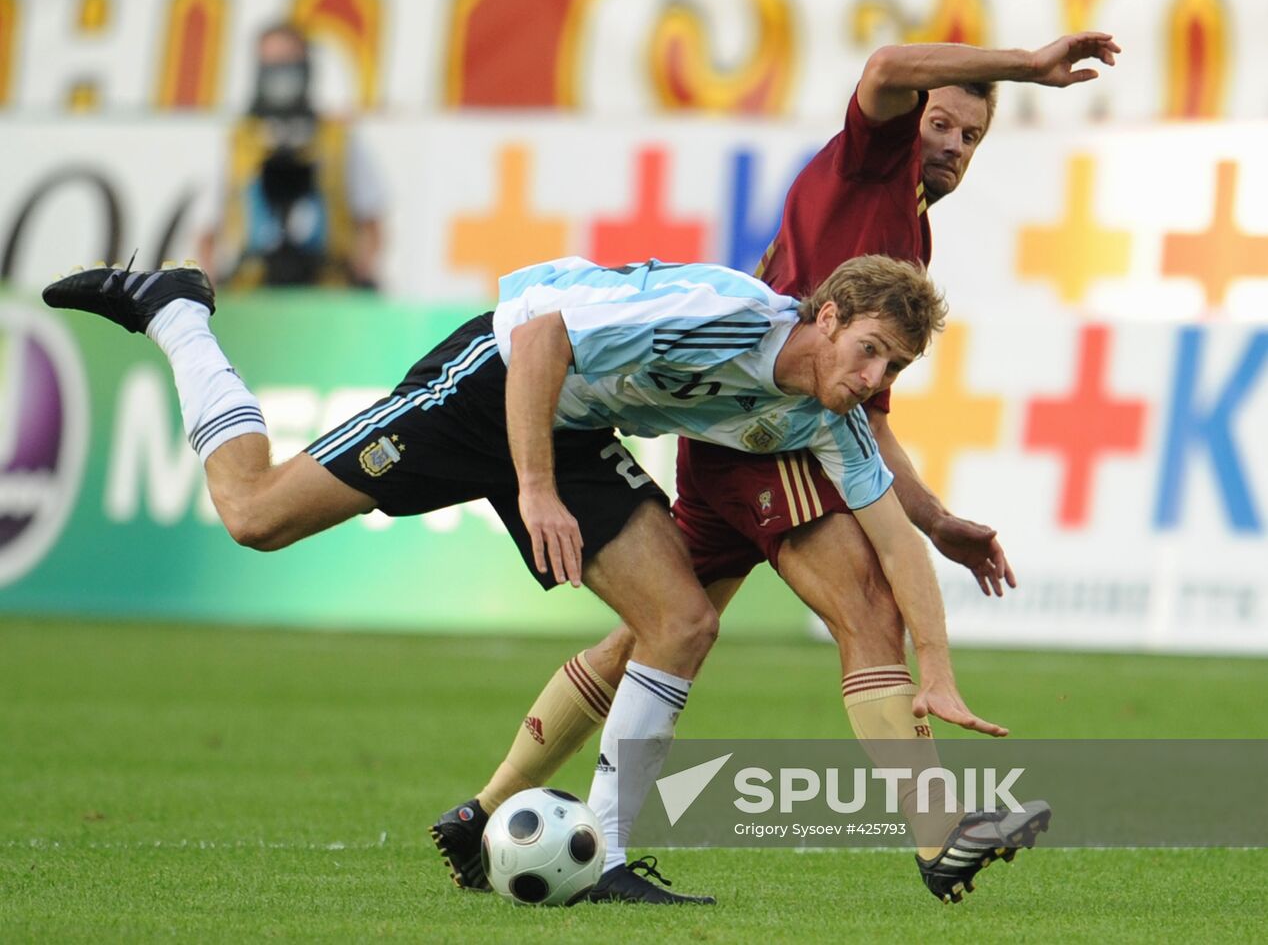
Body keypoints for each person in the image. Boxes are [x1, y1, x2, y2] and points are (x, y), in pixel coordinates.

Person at [42, 253, 1046, 904]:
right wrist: (532, 488)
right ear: (826, 316)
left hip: (570, 433)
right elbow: (539, 335)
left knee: (682, 620)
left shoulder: (823, 417)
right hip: (490, 385)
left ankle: (605, 860)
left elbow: (893, 534)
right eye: (869, 351)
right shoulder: (721, 315)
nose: (873, 380)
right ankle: (178, 313)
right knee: (253, 513)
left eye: (893, 370)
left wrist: (939, 668)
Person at [432, 32, 1117, 903]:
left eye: (971, 138)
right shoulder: (869, 167)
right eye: (941, 122)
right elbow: (879, 69)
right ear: (915, 118)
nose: (950, 145)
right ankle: (940, 835)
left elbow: (868, 417)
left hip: (740, 440)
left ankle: (482, 809)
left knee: (655, 633)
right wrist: (1030, 66)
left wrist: (935, 518)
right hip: (769, 434)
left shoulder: (909, 238)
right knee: (870, 613)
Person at [195, 22, 384, 290]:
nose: (281, 73)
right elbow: (206, 229)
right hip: (252, 293)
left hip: (328, 292)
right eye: (272, 63)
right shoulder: (237, 141)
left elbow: (372, 223)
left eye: (288, 61)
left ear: (306, 65)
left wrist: (363, 276)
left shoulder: (338, 139)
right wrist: (209, 289)